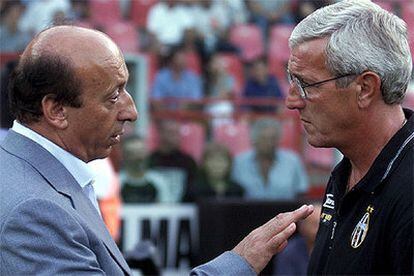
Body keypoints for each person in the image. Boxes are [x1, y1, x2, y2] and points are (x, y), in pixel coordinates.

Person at [0, 25, 314, 275]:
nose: (130, 111)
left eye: (126, 89)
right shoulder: (35, 213)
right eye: (113, 97)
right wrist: (240, 262)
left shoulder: (21, 169)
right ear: (56, 110)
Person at [285, 0, 413, 274]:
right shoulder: (347, 172)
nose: (292, 101)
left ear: (365, 88)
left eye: (305, 84)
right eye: (291, 81)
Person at [232, 118, 309, 200]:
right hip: (246, 212)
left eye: (272, 138)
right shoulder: (239, 162)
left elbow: (301, 191)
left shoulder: (292, 161)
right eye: (264, 138)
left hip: (286, 211)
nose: (269, 143)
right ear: (254, 140)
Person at [147, 119, 198, 202]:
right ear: (161, 134)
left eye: (178, 133)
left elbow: (192, 189)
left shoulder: (188, 161)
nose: (177, 137)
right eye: (172, 133)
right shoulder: (151, 160)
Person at [274, 203, 322, 275]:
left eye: (321, 225)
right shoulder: (289, 251)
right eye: (314, 224)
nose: (318, 229)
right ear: (301, 226)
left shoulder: (334, 248)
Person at [120, 134, 170, 203]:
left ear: (147, 154)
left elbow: (167, 207)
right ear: (124, 156)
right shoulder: (118, 182)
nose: (138, 157)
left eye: (140, 152)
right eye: (132, 153)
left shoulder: (158, 181)